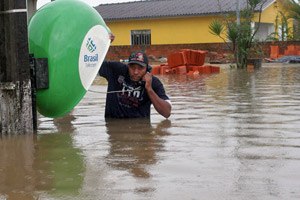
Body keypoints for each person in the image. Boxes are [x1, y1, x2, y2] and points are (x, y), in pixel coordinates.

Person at [98, 51, 172, 118]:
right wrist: (105, 42)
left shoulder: (154, 83)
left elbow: (167, 113)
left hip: (140, 130)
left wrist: (149, 89)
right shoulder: (116, 70)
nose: (136, 72)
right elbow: (92, 65)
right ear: (128, 66)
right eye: (132, 67)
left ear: (147, 69)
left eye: (140, 68)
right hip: (113, 127)